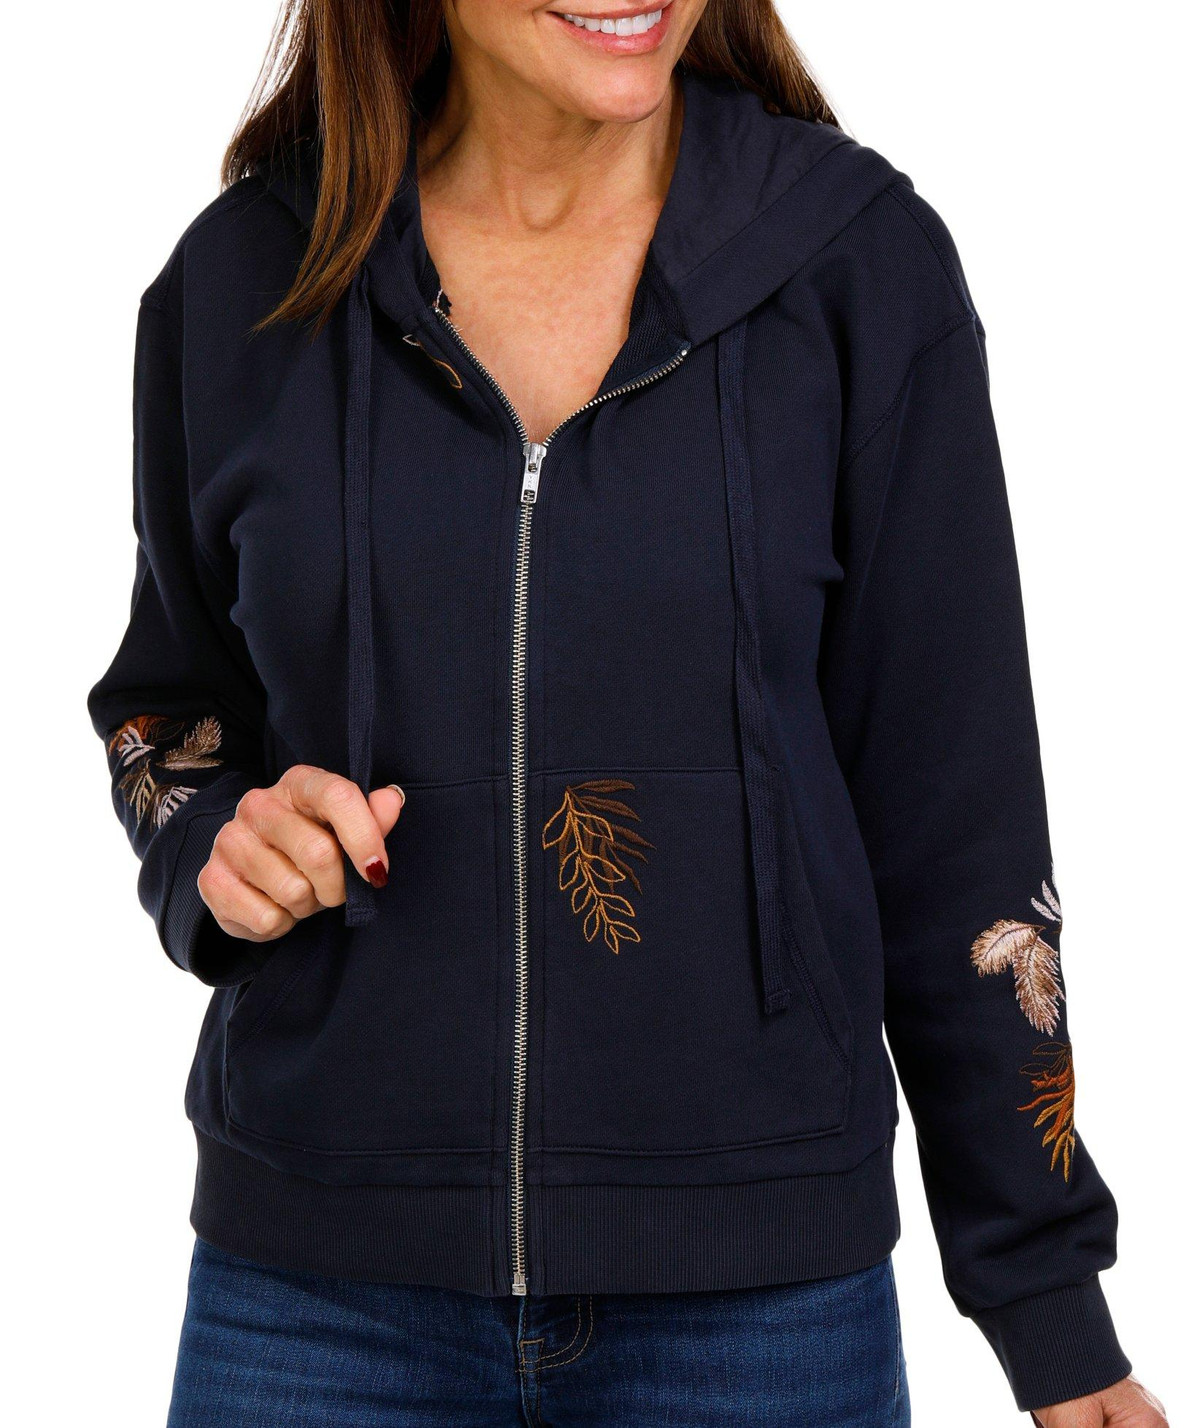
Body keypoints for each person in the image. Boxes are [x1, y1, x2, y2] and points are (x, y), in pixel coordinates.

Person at [88, 1, 1169, 1424]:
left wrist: (1045, 1296)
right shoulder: (245, 281)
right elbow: (169, 707)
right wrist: (219, 841)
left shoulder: (854, 265)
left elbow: (954, 807)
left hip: (759, 1313)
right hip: (317, 1302)